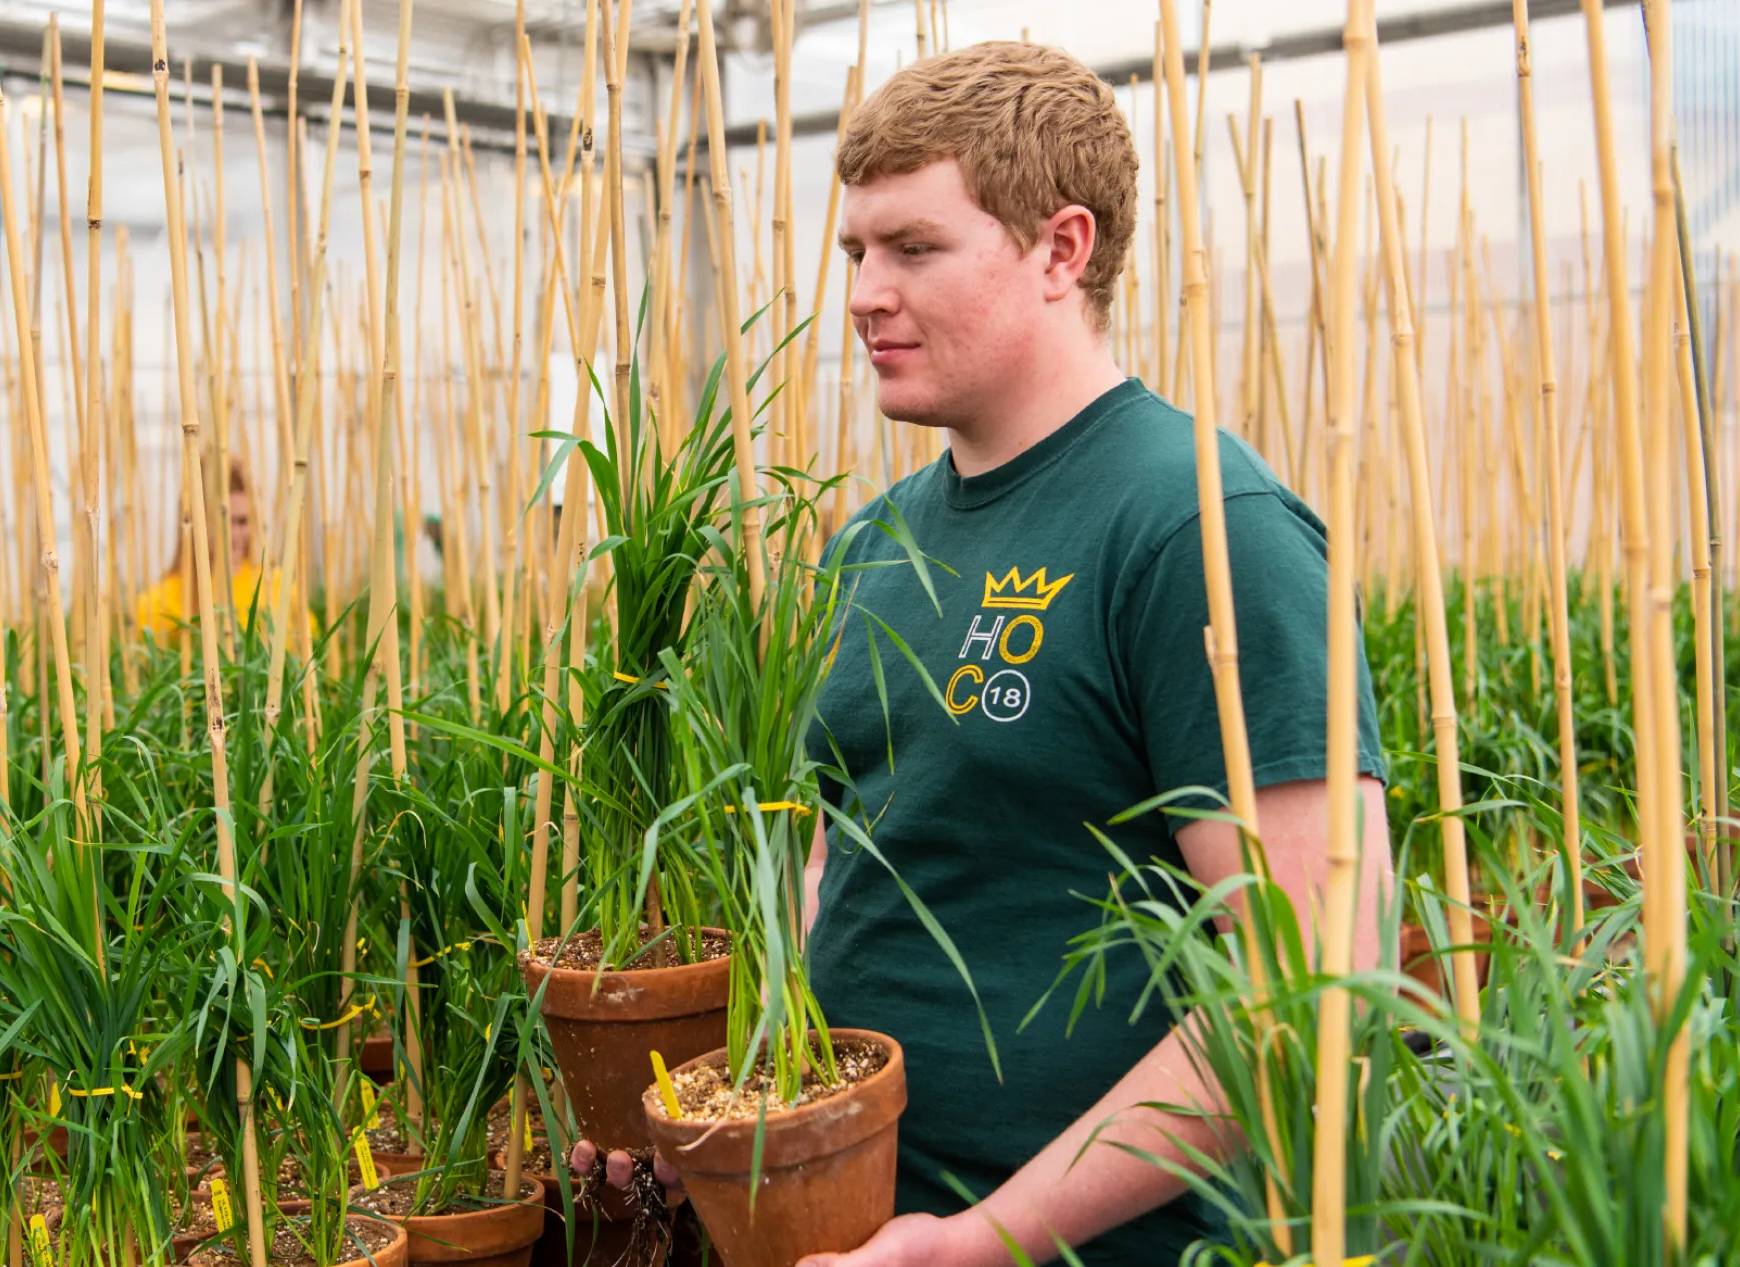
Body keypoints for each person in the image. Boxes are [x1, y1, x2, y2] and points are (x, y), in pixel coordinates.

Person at [574, 41, 1392, 1266]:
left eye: (914, 248)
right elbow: (831, 870)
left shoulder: (1199, 528)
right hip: (851, 1231)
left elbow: (1310, 985)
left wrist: (985, 1239)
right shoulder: (867, 545)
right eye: (856, 252)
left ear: (1063, 250)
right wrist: (723, 1110)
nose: (862, 292)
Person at [133, 459, 296, 641]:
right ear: (193, 522)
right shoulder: (158, 603)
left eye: (242, 521)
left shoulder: (277, 586)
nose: (233, 534)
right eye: (222, 521)